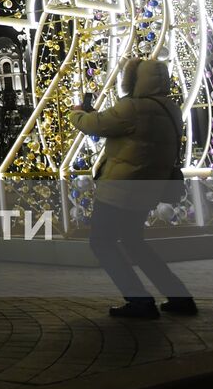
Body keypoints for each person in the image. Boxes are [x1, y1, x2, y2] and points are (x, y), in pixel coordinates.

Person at [70, 57, 197, 319]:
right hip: (147, 190)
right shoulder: (171, 109)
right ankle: (179, 296)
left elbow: (92, 125)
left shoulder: (132, 108)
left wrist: (77, 112)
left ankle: (139, 301)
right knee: (134, 242)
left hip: (119, 190)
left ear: (135, 80)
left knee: (101, 242)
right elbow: (121, 128)